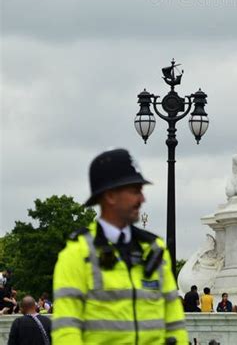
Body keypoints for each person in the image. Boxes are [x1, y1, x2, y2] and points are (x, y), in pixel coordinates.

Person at [52, 147, 187, 344]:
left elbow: (175, 324)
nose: (142, 199)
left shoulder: (155, 248)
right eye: (135, 191)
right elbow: (66, 330)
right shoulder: (76, 254)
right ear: (110, 196)